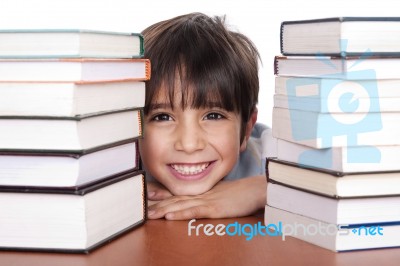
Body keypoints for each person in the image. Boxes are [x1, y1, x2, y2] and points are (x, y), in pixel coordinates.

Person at [139, 12, 270, 220]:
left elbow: (336, 176)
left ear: (246, 130)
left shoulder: (273, 158)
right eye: (162, 117)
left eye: (213, 116)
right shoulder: (118, 166)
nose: (189, 145)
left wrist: (262, 188)